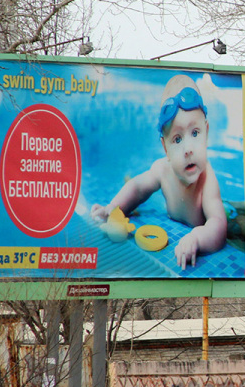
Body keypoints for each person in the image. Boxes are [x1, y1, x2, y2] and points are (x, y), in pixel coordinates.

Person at [91, 75, 227, 268]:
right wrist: (113, 208)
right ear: (166, 149)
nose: (188, 148)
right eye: (177, 139)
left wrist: (197, 238)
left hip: (215, 215)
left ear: (207, 133)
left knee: (237, 220)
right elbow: (137, 188)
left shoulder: (207, 179)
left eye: (195, 133)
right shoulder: (162, 169)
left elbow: (219, 224)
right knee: (132, 182)